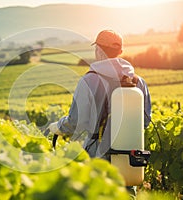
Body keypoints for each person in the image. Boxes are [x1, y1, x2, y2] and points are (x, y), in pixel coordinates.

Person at [47, 30, 152, 197]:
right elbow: (145, 122)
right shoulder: (138, 82)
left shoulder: (89, 80)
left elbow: (76, 122)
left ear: (99, 51)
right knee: (127, 194)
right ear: (120, 52)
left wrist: (57, 127)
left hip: (97, 156)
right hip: (128, 157)